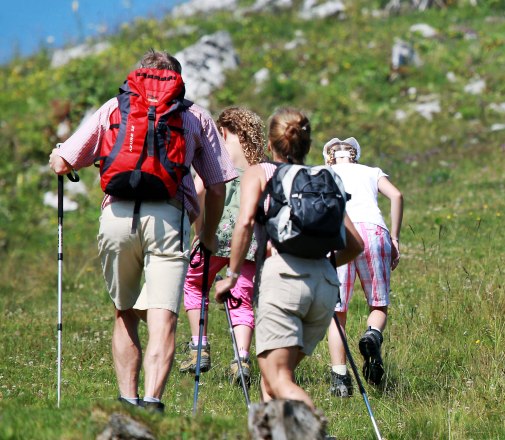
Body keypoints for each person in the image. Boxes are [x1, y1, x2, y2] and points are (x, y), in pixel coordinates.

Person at [48, 50, 236, 413]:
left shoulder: (114, 108)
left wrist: (60, 152)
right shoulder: (193, 115)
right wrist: (208, 235)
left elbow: (63, 161)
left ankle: (126, 400)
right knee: (164, 314)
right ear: (177, 80)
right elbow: (216, 184)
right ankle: (152, 403)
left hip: (117, 216)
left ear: (138, 76)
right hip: (169, 218)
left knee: (125, 311)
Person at [214, 108, 363, 409]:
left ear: (269, 144)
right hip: (324, 285)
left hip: (283, 280)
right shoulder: (325, 177)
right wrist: (324, 265)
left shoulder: (260, 172)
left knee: (279, 378)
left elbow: (243, 223)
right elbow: (356, 244)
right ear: (308, 146)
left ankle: (316, 430)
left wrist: (230, 277)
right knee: (273, 380)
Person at [167, 106, 266, 386]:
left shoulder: (218, 156)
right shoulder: (261, 162)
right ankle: (241, 358)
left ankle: (199, 348)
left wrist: (200, 229)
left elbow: (200, 189)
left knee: (195, 285)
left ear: (223, 131)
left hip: (217, 234)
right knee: (242, 299)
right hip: (249, 241)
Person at [322, 137, 403, 396]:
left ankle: (340, 378)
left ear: (329, 157)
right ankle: (373, 335)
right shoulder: (371, 171)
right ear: (355, 155)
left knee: (337, 312)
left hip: (339, 234)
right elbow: (396, 195)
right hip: (374, 231)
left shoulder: (323, 173)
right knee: (378, 304)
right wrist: (395, 238)